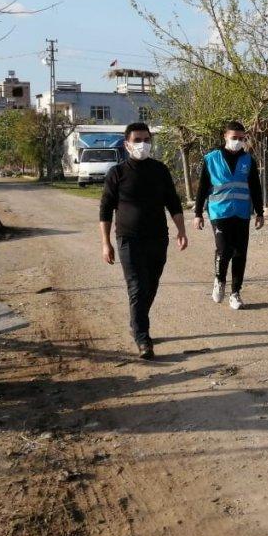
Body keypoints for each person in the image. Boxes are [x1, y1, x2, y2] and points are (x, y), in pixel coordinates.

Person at [99, 123, 187, 360]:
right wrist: (106, 243)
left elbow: (173, 202)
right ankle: (143, 338)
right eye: (137, 140)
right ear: (127, 145)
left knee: (151, 285)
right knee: (137, 286)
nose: (143, 144)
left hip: (158, 238)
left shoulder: (160, 170)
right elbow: (105, 210)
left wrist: (181, 230)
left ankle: (136, 322)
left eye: (146, 139)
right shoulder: (116, 173)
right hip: (128, 239)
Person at [194, 120, 264, 310]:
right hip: (219, 212)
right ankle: (219, 280)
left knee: (240, 253)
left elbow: (255, 188)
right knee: (224, 250)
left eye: (242, 138)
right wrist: (198, 213)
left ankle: (235, 293)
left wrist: (259, 212)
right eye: (234, 138)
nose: (238, 141)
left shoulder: (248, 160)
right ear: (225, 137)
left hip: (241, 213)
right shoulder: (211, 159)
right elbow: (202, 188)